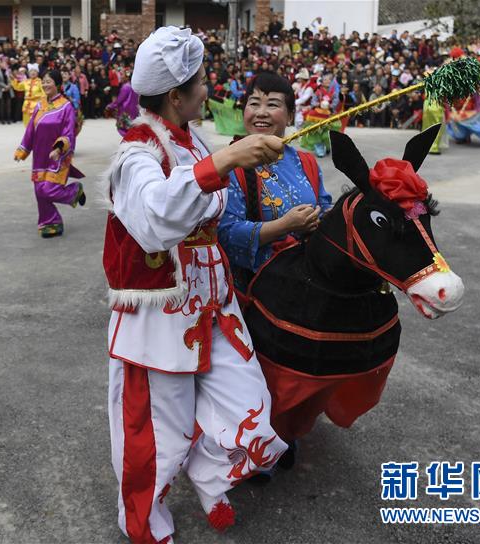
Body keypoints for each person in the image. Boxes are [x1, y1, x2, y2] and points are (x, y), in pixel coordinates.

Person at [102, 27, 288, 544]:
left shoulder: (191, 140)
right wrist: (226, 161)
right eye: (202, 83)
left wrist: (229, 158)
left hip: (214, 303)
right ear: (175, 96)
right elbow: (156, 218)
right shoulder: (134, 154)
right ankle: (144, 519)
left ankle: (209, 477)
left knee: (249, 406)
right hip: (162, 316)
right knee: (161, 431)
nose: (210, 90)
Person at [218, 71, 332, 294]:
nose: (261, 113)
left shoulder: (306, 161)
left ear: (290, 116)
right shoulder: (229, 164)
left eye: (272, 105)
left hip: (308, 284)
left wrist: (328, 216)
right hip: (260, 293)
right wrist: (284, 225)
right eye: (254, 104)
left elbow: (324, 205)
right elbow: (226, 234)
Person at [14, 70, 86, 238]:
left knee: (48, 189)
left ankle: (73, 192)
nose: (45, 84)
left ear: (58, 84)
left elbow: (69, 132)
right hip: (39, 155)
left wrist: (59, 148)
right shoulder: (39, 105)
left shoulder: (66, 106)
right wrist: (23, 149)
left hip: (57, 156)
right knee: (39, 191)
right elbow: (31, 129)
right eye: (44, 81)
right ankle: (50, 222)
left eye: (49, 81)